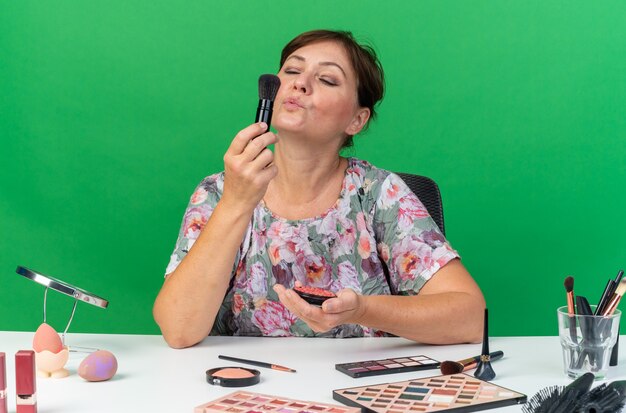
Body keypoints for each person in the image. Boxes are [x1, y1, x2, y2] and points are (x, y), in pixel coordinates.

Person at [153, 29, 485, 349]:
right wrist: (236, 202)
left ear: (357, 120)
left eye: (326, 79)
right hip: (249, 383)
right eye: (292, 70)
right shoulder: (217, 191)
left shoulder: (377, 193)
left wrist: (363, 310)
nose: (299, 83)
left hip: (357, 388)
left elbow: (471, 318)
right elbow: (179, 329)